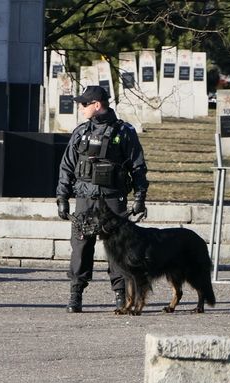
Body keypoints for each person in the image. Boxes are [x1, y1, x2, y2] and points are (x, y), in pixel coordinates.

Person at [56, 85, 149, 313]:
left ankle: (120, 294)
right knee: (80, 247)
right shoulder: (80, 132)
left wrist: (139, 197)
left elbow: (137, 166)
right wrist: (62, 196)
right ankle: (75, 294)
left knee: (117, 248)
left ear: (97, 105)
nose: (81, 107)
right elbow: (67, 166)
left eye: (84, 104)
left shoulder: (124, 131)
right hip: (85, 200)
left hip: (113, 200)